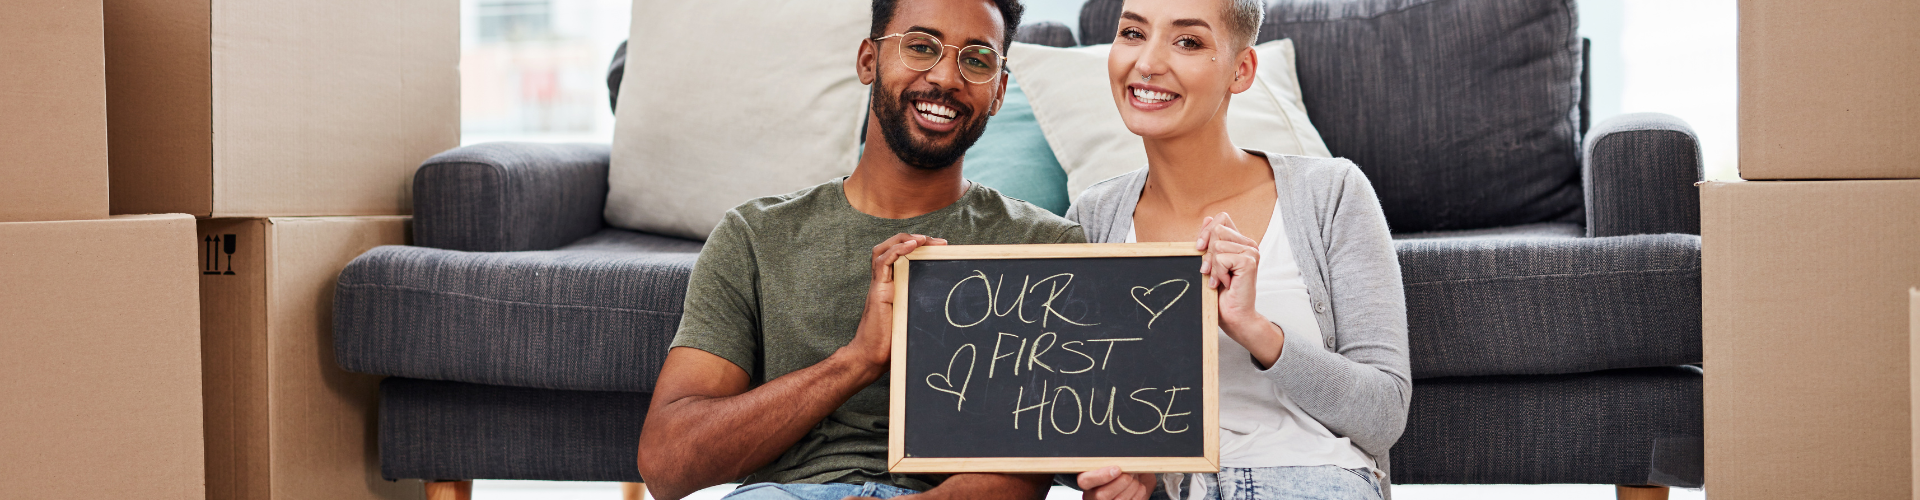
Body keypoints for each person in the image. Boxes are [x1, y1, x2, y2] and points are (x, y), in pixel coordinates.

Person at [633, 0, 1085, 499]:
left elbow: (1033, 462)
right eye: (921, 47)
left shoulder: (1047, 247)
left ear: (997, 92)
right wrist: (857, 361)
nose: (946, 77)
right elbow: (667, 467)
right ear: (869, 60)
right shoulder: (754, 235)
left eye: (977, 60)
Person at [1064, 0, 1411, 499]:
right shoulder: (1092, 217)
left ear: (1241, 70)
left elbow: (1383, 417)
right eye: (1133, 33)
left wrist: (1253, 328)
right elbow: (1062, 412)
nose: (1148, 62)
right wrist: (1118, 471)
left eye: (1187, 41)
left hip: (1309, 479)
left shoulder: (1331, 193)